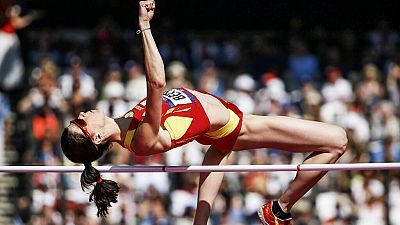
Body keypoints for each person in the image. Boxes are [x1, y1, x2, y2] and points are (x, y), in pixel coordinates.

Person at [60, 1, 348, 224]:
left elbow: (213, 152)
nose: (82, 114)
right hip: (240, 126)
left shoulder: (125, 121)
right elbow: (157, 81)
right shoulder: (140, 139)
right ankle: (280, 208)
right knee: (337, 140)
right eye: (79, 122)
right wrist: (144, 27)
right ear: (97, 137)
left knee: (221, 155)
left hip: (220, 134)